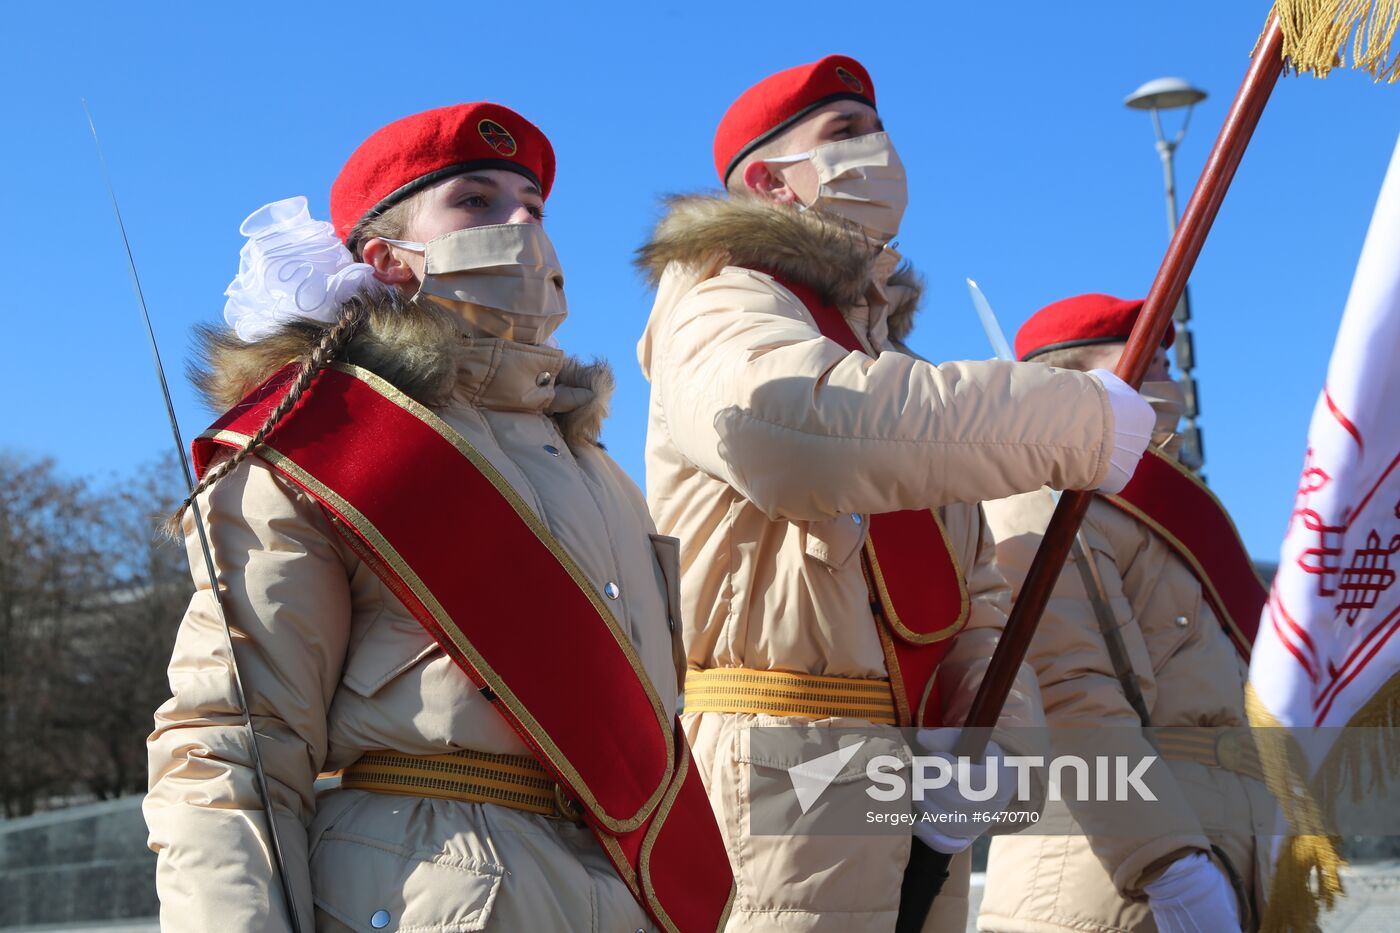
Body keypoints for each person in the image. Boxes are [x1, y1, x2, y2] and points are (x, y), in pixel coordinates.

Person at [145, 102, 733, 933]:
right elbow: (232, 742)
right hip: (434, 886)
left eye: (534, 204)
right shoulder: (320, 442)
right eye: (476, 200)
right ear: (387, 259)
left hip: (628, 888)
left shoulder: (603, 472)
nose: (522, 219)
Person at [635, 55, 1156, 932]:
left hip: (902, 782)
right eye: (844, 135)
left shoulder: (896, 373)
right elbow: (793, 428)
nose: (877, 150)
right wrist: (1079, 420)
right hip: (780, 762)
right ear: (769, 180)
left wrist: (989, 737)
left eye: (877, 130)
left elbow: (982, 598)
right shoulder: (718, 302)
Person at [978, 293, 1272, 933]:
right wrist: (1167, 865)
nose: (1170, 374)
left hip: (1227, 850)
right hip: (1107, 875)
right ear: (1080, 378)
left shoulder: (1173, 510)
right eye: (1152, 358)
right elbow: (1068, 692)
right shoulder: (1041, 491)